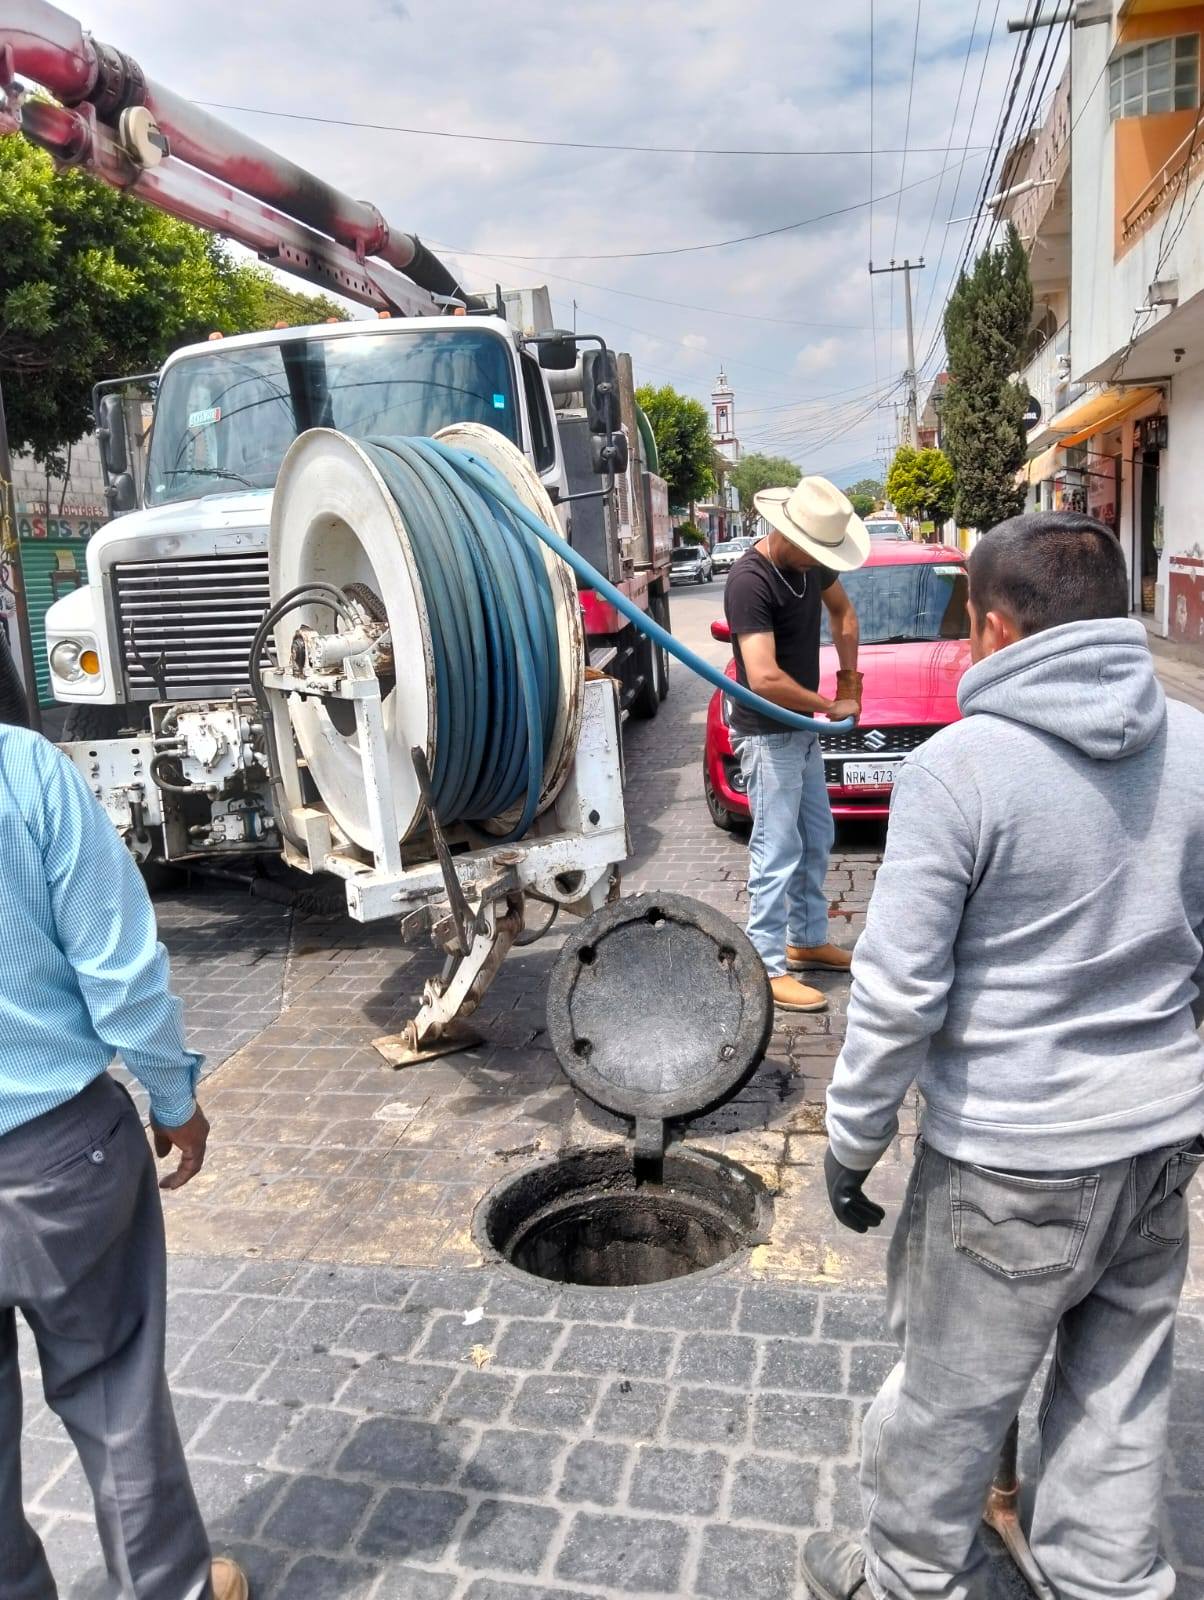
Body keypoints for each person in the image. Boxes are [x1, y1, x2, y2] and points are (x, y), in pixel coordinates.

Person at [804, 512, 1204, 1600]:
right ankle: (1109, 1582)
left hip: (1009, 1165)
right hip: (1159, 1149)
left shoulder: (958, 770)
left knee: (947, 1401)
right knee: (1119, 1396)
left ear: (990, 627)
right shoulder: (1197, 746)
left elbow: (896, 993)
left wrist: (851, 1143)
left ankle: (904, 1578)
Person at [0, 723, 250, 1600]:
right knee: (112, 1391)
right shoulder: (19, 768)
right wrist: (174, 1100)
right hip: (56, 1156)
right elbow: (119, 967)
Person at [724, 475, 868, 1013]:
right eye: (812, 553)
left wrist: (849, 681)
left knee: (816, 835)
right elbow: (761, 677)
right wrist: (826, 705)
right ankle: (765, 963)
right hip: (768, 735)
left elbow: (845, 615)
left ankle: (806, 940)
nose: (817, 563)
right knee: (776, 847)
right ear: (789, 533)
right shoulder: (750, 581)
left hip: (802, 732)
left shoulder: (812, 562)